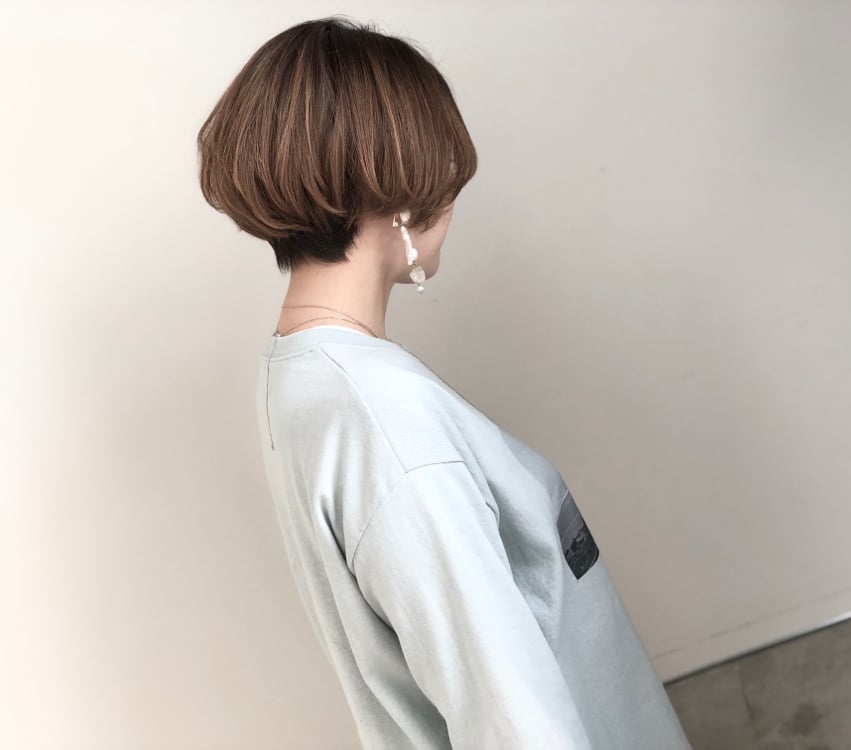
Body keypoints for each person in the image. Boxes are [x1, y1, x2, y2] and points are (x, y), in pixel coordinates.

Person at [197, 15, 691, 750]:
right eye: (446, 178)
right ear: (400, 193)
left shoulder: (300, 378)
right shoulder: (388, 427)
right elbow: (515, 726)